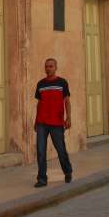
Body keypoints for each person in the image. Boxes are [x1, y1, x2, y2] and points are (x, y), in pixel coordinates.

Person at [33, 57, 72, 187]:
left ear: (56, 68)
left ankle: (67, 171)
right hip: (42, 122)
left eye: (51, 66)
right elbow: (39, 103)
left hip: (56, 122)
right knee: (40, 151)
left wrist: (69, 117)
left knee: (61, 150)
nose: (48, 69)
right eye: (46, 66)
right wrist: (35, 121)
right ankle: (42, 179)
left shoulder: (62, 83)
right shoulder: (40, 84)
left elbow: (66, 101)